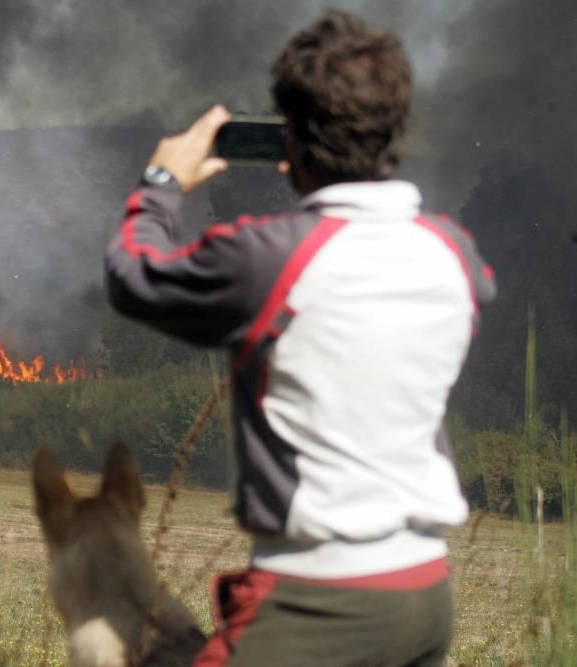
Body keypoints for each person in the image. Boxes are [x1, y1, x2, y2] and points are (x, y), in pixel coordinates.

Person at [104, 9, 496, 666]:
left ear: (292, 139)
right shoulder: (454, 253)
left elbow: (132, 275)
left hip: (322, 598)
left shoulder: (271, 259)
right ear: (394, 131)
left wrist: (161, 186)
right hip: (426, 591)